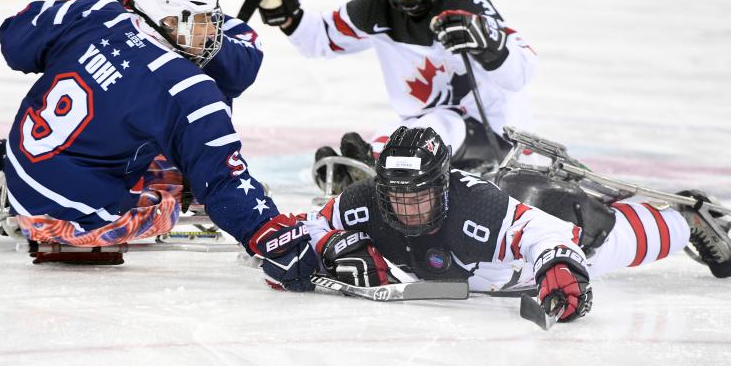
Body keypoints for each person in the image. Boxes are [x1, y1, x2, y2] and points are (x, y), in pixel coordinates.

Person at [0, 0, 319, 289]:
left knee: (110, 113)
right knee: (178, 176)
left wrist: (95, 1)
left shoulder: (98, 14)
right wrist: (267, 231)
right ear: (161, 18)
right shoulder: (183, 85)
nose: (209, 33)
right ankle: (172, 201)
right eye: (197, 22)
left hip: (27, 161)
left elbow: (15, 38)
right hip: (72, 220)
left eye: (210, 20)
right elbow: (223, 178)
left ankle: (5, 162)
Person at [297, 126, 731, 322]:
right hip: (471, 267)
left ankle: (687, 220)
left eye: (420, 196)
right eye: (397, 197)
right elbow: (310, 227)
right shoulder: (364, 201)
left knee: (595, 237)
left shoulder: (476, 207)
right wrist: (334, 244)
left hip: (518, 271)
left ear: (443, 186)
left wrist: (560, 264)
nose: (407, 211)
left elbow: (542, 234)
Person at [241, 0, 538, 186]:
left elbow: (521, 72)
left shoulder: (467, 5)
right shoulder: (379, 7)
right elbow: (320, 38)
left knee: (426, 130)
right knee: (392, 135)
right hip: (426, 131)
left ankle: (380, 173)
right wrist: (287, 14)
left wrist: (490, 44)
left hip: (492, 138)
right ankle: (370, 173)